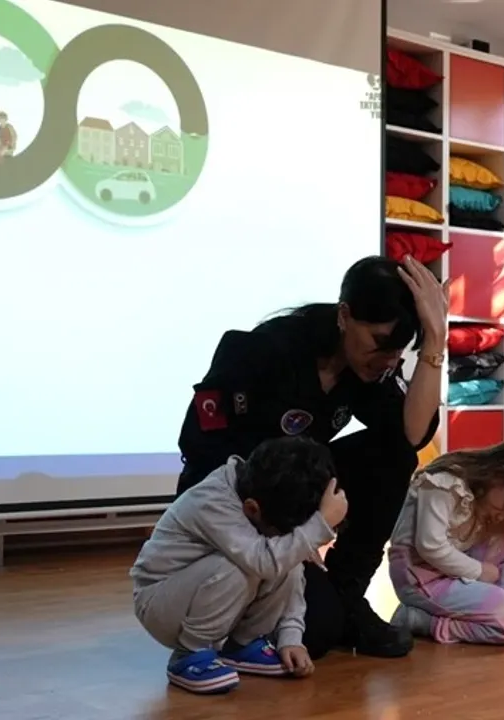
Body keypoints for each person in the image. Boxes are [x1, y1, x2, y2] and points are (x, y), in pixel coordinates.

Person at [175, 255, 448, 660]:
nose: (389, 360)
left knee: (393, 454)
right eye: (379, 342)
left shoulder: (370, 370)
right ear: (345, 316)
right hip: (232, 503)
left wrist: (436, 339)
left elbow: (412, 434)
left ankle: (347, 594)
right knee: (315, 632)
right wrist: (294, 536)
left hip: (293, 495)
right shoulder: (264, 350)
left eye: (399, 351)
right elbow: (203, 452)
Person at [130, 436, 349, 695]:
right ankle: (188, 654)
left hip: (205, 596)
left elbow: (289, 563)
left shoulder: (260, 495)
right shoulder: (212, 500)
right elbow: (264, 562)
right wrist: (319, 525)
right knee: (247, 564)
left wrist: (290, 637)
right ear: (252, 509)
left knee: (286, 557)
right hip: (159, 603)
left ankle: (244, 645)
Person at [387, 439, 504, 645]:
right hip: (422, 579)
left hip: (452, 569)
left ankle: (493, 608)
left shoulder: (487, 495)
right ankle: (420, 620)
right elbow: (430, 546)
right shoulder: (444, 484)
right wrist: (479, 571)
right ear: (499, 476)